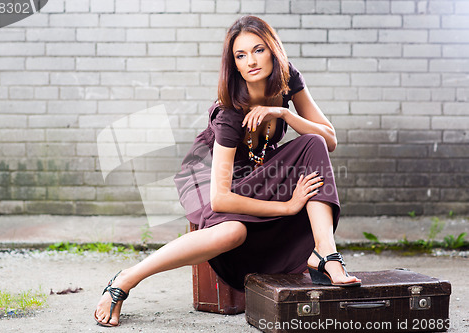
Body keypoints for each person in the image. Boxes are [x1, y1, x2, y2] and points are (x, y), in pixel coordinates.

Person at [94, 15, 361, 328]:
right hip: (207, 179)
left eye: (258, 50)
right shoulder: (230, 113)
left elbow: (329, 139)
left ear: (273, 51)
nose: (251, 61)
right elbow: (220, 198)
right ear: (233, 64)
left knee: (312, 142)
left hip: (257, 167)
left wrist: (283, 114)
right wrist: (287, 207)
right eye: (241, 55)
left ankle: (325, 255)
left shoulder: (288, 80)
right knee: (233, 231)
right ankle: (127, 278)